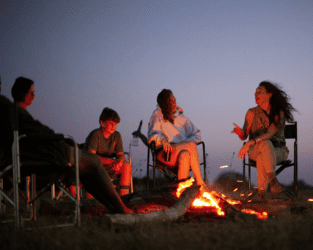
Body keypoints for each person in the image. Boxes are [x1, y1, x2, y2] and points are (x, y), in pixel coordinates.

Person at [0, 78, 132, 214]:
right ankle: (120, 208)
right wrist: (62, 139)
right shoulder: (15, 112)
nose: (34, 96)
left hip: (30, 158)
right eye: (31, 93)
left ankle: (114, 207)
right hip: (45, 157)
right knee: (93, 162)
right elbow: (40, 135)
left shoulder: (9, 112)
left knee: (88, 167)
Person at [232, 81, 296, 200]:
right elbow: (244, 136)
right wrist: (240, 133)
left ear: (269, 95)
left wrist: (250, 143)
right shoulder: (251, 113)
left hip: (278, 150)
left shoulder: (278, 112)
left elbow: (269, 133)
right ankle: (273, 183)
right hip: (255, 151)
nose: (256, 94)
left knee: (264, 150)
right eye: (255, 91)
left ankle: (261, 195)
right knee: (264, 147)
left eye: (260, 91)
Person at [148, 89, 206, 188]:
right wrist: (162, 140)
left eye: (174, 100)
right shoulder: (158, 114)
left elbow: (197, 134)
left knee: (185, 155)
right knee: (190, 146)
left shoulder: (183, 118)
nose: (174, 103)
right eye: (171, 101)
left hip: (181, 151)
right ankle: (201, 184)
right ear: (164, 103)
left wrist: (185, 144)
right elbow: (153, 133)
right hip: (165, 152)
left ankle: (181, 192)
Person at [84, 108, 132, 197]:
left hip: (109, 168)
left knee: (126, 166)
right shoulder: (95, 135)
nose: (114, 126)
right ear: (102, 123)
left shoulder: (116, 135)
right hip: (94, 168)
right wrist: (111, 161)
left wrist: (119, 162)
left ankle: (124, 199)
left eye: (115, 124)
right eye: (111, 124)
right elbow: (91, 157)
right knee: (91, 171)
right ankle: (91, 203)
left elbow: (121, 155)